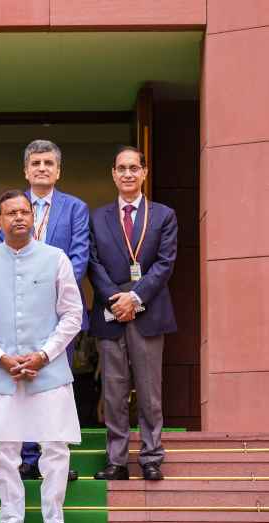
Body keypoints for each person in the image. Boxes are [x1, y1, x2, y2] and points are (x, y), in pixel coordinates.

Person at [0, 189, 82, 523]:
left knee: (56, 449)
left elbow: (72, 314)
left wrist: (45, 354)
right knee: (3, 451)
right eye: (11, 212)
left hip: (49, 370)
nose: (19, 217)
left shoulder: (55, 258)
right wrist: (0, 357)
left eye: (25, 211)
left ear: (33, 217)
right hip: (1, 372)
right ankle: (11, 521)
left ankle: (54, 522)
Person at [0, 140, 90, 482]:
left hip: (59, 314)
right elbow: (0, 254)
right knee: (20, 384)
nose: (42, 168)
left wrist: (49, 293)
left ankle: (54, 456)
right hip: (16, 315)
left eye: (49, 162)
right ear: (25, 170)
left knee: (54, 387)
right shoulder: (11, 208)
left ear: (58, 170)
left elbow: (79, 257)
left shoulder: (76, 208)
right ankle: (27, 457)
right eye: (35, 163)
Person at [89, 146, 177, 481]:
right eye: (121, 168)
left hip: (149, 313)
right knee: (113, 391)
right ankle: (117, 460)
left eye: (134, 168)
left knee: (150, 391)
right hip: (110, 314)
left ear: (144, 173)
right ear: (113, 173)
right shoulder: (97, 217)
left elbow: (165, 264)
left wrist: (135, 298)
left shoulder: (164, 215)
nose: (127, 174)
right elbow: (92, 264)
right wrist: (116, 298)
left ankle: (152, 456)